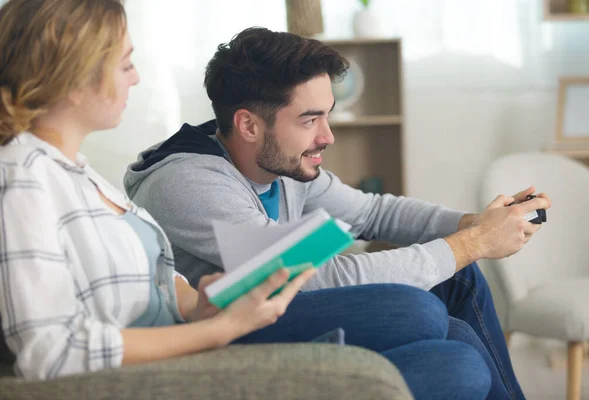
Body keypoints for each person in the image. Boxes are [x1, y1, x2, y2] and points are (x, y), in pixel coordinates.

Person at [0, 1, 494, 398]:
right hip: (180, 357)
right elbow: (49, 351)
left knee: (451, 339)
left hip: (199, 330)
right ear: (74, 75)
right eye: (125, 63)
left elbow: (154, 285)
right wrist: (216, 330)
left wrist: (203, 302)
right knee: (433, 327)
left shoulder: (81, 176)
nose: (136, 78)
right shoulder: (24, 180)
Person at [124, 27, 553, 400]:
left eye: (327, 116)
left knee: (459, 296)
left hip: (288, 308)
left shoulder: (279, 162)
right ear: (249, 125)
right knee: (432, 306)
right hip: (235, 334)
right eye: (310, 120)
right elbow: (319, 281)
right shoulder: (189, 184)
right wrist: (474, 243)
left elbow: (372, 212)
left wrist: (474, 224)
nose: (327, 136)